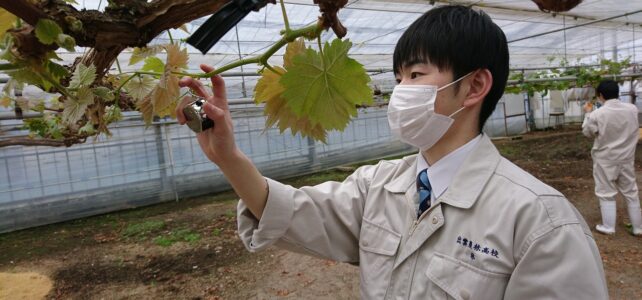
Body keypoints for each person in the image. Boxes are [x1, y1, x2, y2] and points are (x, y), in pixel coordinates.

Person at [176, 5, 608, 299]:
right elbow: (291, 212)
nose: (400, 92)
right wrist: (228, 156)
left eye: (416, 74)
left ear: (475, 86)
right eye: (398, 78)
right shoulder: (377, 185)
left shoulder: (541, 222)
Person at [582, 79, 642, 236]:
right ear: (618, 92)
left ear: (600, 95)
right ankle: (638, 228)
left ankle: (609, 227)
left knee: (606, 192)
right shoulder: (632, 109)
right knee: (631, 192)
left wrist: (587, 113)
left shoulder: (597, 114)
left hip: (605, 159)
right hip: (627, 158)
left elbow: (588, 132)